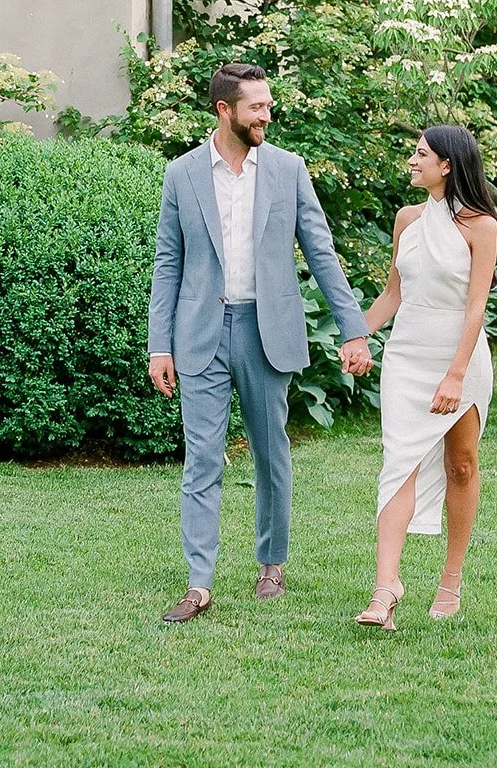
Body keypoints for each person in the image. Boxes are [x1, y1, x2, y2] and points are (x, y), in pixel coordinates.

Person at [148, 62, 373, 623]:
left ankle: (272, 564)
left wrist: (354, 328)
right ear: (225, 111)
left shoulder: (288, 170)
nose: (266, 115)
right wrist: (159, 345)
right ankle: (199, 584)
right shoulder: (182, 174)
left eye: (268, 106)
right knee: (202, 459)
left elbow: (321, 251)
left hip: (266, 330)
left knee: (271, 453)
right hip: (199, 334)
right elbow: (168, 263)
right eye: (256, 107)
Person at [357, 126, 497, 630]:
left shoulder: (480, 226)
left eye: (421, 154)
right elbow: (393, 294)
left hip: (458, 358)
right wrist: (356, 336)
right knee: (399, 462)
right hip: (407, 356)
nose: (412, 161)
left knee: (461, 464)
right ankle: (384, 590)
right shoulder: (407, 220)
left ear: (448, 166)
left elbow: (476, 306)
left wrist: (455, 375)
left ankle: (451, 579)